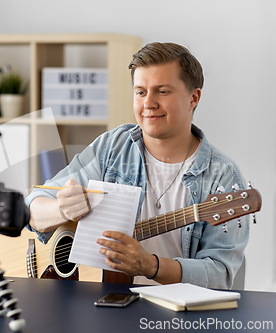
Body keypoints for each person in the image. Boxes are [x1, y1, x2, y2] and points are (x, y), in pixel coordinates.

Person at [25, 42, 249, 289]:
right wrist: (61, 209)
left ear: (193, 98)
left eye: (162, 91)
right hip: (102, 304)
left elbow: (220, 275)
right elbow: (33, 207)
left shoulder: (223, 176)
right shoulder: (112, 147)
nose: (148, 103)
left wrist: (150, 266)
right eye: (141, 92)